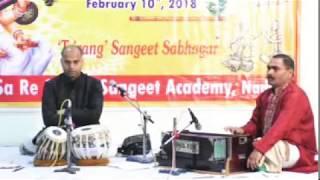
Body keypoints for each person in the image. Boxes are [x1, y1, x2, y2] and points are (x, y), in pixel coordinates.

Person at [225, 54, 317, 173]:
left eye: (275, 69)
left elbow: (281, 128)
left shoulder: (296, 96)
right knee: (248, 143)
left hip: (298, 150)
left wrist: (261, 149)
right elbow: (255, 123)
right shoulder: (265, 96)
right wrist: (243, 130)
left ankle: (264, 170)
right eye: (268, 68)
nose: (270, 72)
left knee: (272, 147)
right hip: (272, 144)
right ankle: (257, 165)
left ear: (290, 73)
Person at [20, 45, 103, 154]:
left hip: (88, 139)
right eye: (67, 62)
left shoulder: (94, 84)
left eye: (75, 62)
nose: (71, 66)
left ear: (82, 62)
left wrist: (65, 112)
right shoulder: (51, 85)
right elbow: (49, 120)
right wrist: (82, 114)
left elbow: (94, 116)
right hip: (59, 139)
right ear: (61, 62)